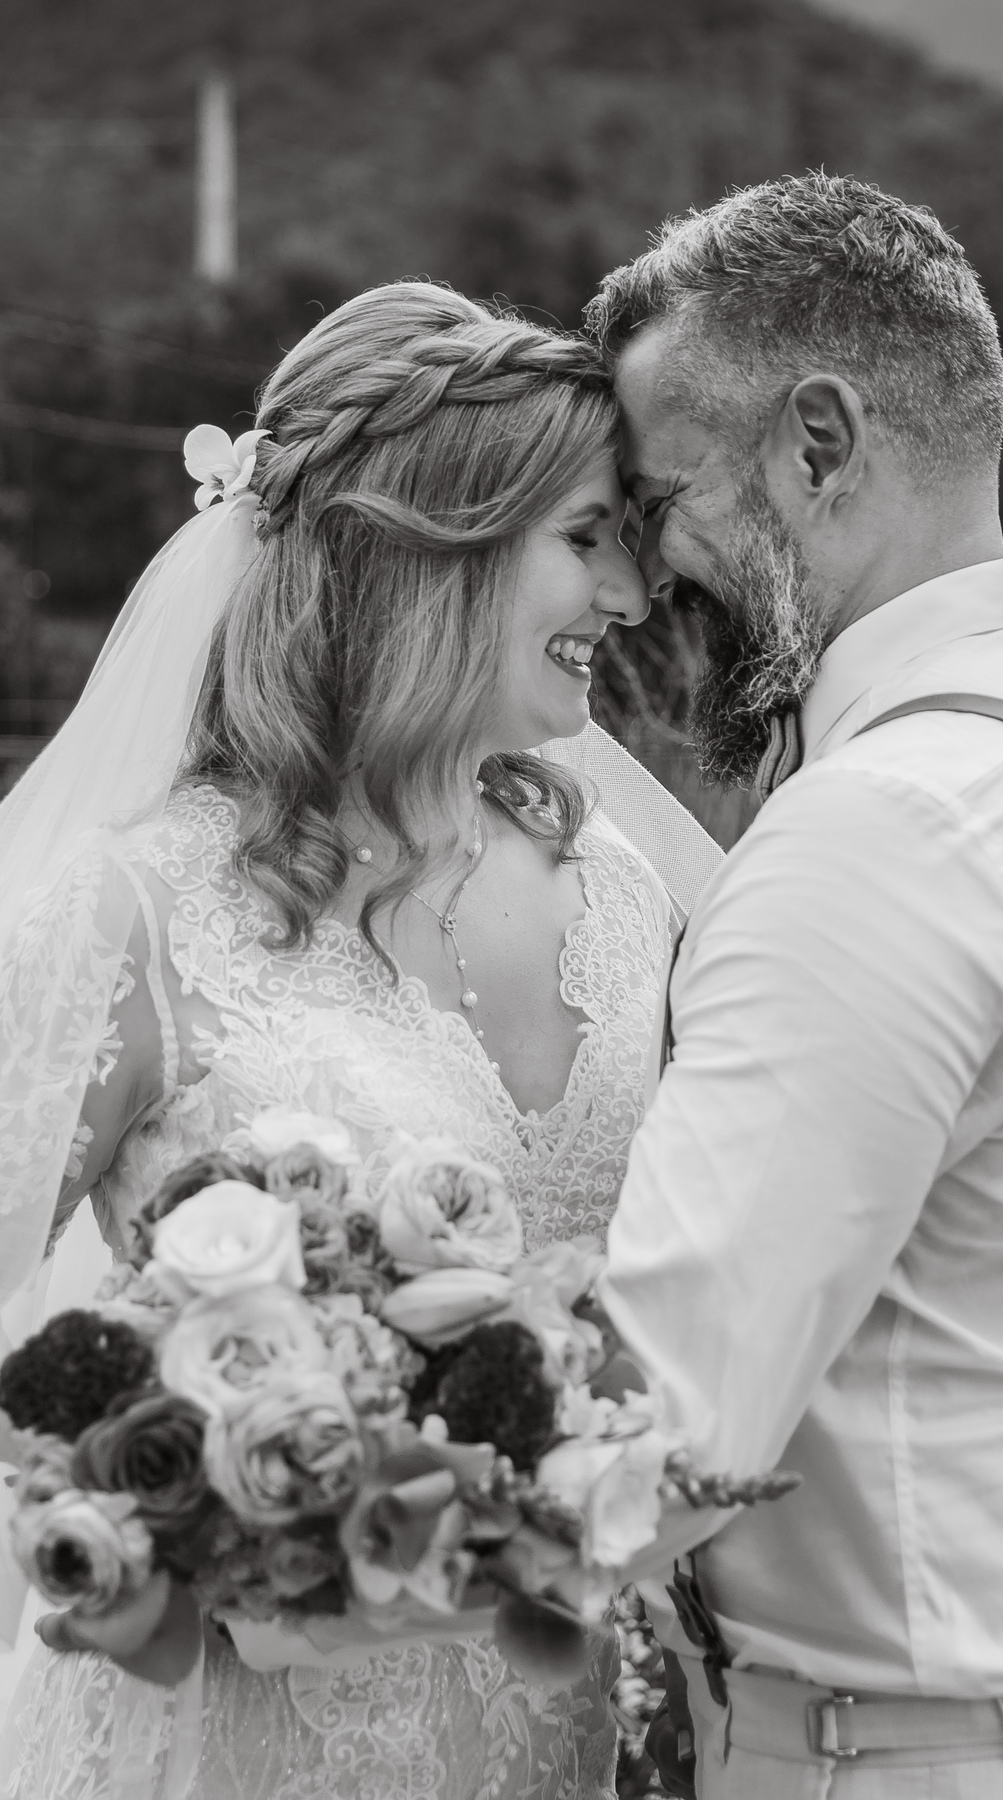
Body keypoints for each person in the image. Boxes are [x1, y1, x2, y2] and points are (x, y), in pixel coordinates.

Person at [0, 281, 719, 1799]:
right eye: (585, 540)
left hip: (560, 1735)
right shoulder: (142, 907)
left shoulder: (623, 894)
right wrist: (136, 1525)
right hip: (222, 1740)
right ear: (427, 541)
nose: (632, 601)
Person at [594, 173, 1003, 1798]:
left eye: (658, 507)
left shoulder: (888, 829)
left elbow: (660, 1438)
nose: (645, 587)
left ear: (817, 444)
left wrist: (276, 1518)